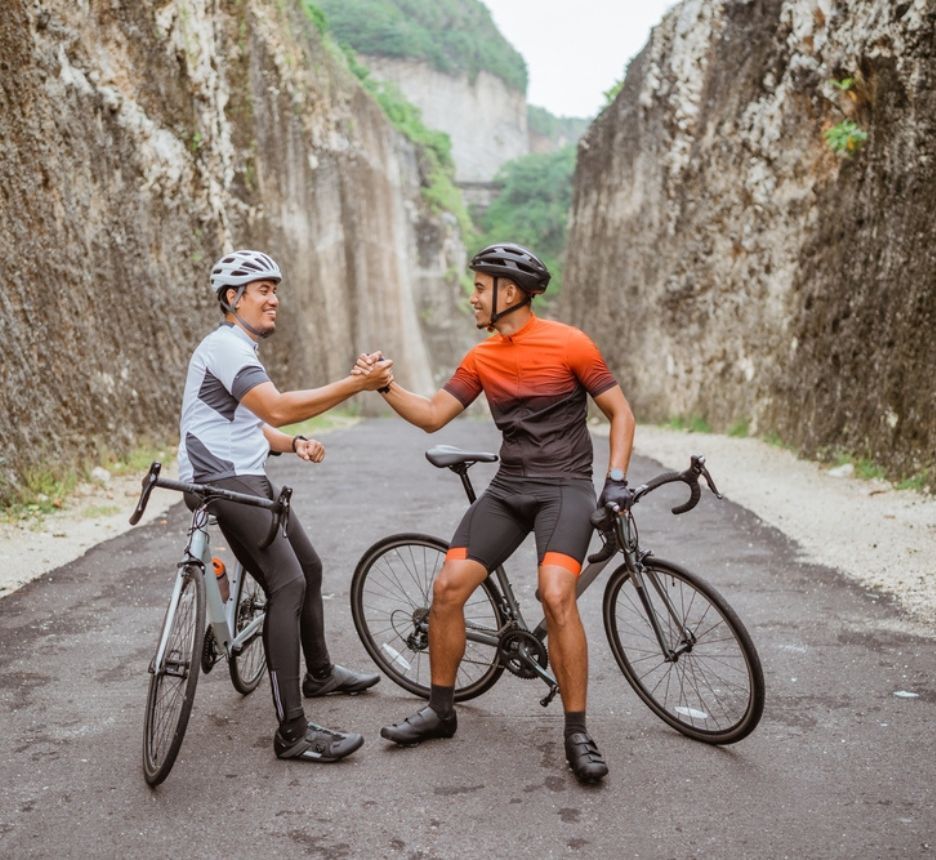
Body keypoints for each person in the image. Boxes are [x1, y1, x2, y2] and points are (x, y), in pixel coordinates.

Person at [354, 243, 635, 783]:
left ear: (512, 292)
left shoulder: (570, 343)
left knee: (556, 594)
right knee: (447, 588)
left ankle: (576, 732)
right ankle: (441, 710)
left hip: (565, 487)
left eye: (481, 288)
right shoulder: (482, 357)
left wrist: (616, 480)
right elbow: (433, 415)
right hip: (509, 489)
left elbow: (620, 412)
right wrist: (384, 385)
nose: (473, 297)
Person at [178, 249, 393, 763]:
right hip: (221, 480)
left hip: (245, 476)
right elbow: (275, 406)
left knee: (309, 568)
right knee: (287, 583)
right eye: (262, 291)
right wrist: (357, 385)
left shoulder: (240, 348)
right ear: (233, 298)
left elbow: (254, 425)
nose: (274, 299)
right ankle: (293, 732)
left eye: (275, 291)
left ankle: (319, 674)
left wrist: (293, 444)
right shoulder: (225, 346)